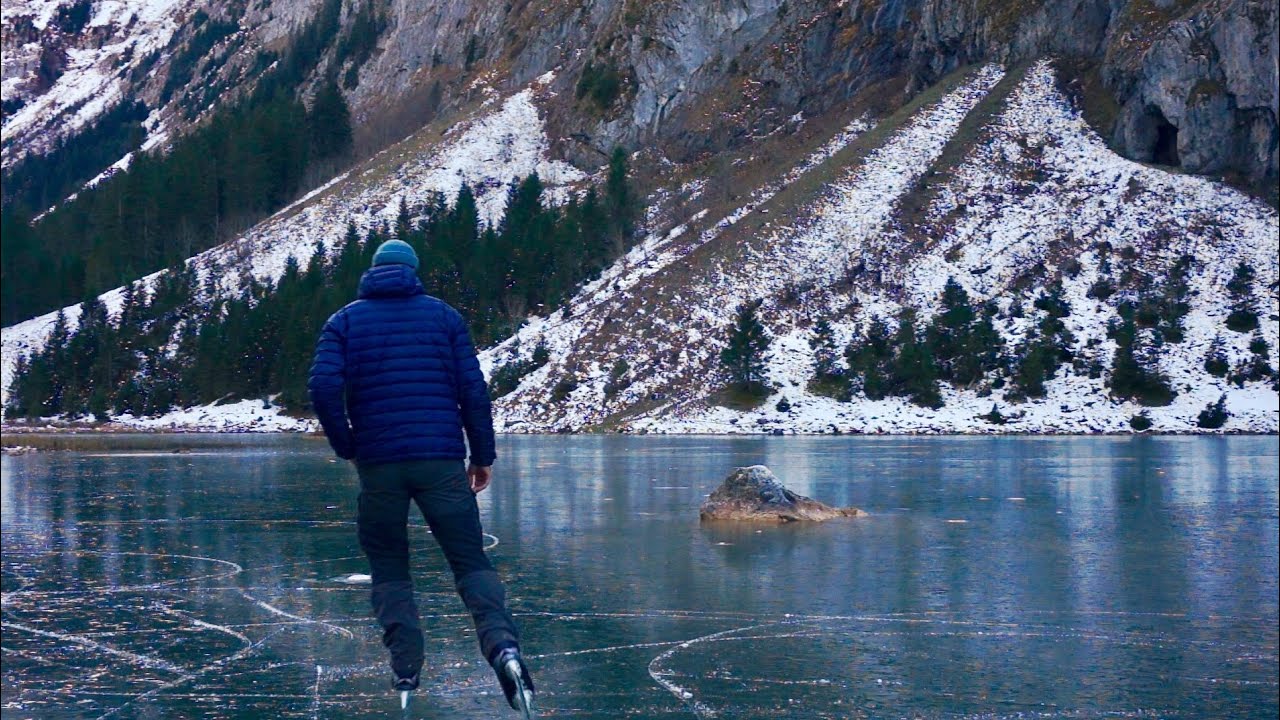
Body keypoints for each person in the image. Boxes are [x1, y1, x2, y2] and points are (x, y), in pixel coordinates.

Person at [308, 239, 535, 714]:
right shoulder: (444, 318)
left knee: (390, 569)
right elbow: (473, 390)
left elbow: (324, 387)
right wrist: (482, 455)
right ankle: (505, 651)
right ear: (414, 272)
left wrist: (347, 445)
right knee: (471, 563)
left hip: (379, 467)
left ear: (372, 272)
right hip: (441, 462)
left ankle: (406, 667)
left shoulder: (344, 321)